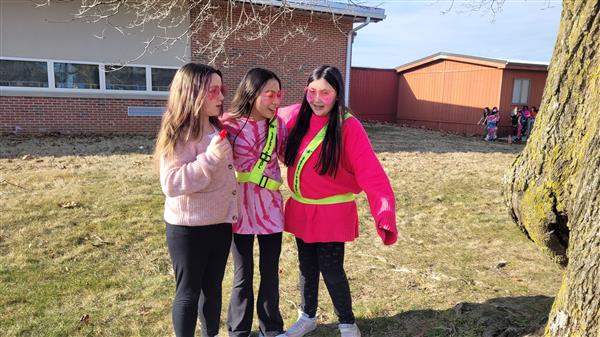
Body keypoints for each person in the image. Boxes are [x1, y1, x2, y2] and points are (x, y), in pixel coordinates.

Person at [279, 65, 398, 337]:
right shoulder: (297, 115)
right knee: (306, 267)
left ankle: (347, 324)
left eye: (325, 92)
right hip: (301, 209)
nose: (317, 99)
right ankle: (307, 317)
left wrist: (384, 213)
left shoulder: (348, 126)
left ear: (337, 94)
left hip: (333, 213)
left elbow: (372, 173)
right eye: (312, 91)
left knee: (332, 270)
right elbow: (260, 115)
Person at [155, 63, 237, 337]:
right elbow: (172, 183)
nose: (221, 96)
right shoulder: (178, 132)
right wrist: (210, 158)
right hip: (188, 228)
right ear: (192, 93)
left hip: (220, 223)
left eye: (221, 89)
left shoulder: (215, 127)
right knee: (189, 291)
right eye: (213, 90)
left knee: (213, 287)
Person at [221, 68, 287, 337]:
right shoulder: (229, 124)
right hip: (240, 210)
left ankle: (271, 328)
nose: (275, 101)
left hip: (271, 210)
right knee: (242, 273)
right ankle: (239, 330)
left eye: (278, 95)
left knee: (270, 272)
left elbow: (287, 155)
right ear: (251, 93)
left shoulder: (278, 125)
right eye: (269, 94)